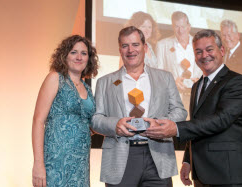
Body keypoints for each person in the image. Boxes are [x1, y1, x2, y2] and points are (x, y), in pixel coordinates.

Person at [145, 29, 242, 186]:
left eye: (209, 49)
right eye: (198, 51)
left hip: (229, 174)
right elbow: (197, 124)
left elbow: (221, 120)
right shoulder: (197, 86)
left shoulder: (237, 82)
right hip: (201, 174)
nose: (204, 55)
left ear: (222, 50)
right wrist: (188, 161)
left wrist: (176, 128)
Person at [92, 26, 187, 187]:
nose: (130, 50)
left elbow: (180, 111)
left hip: (158, 155)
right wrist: (115, 125)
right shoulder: (105, 82)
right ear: (120, 50)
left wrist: (160, 123)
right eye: (125, 46)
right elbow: (95, 119)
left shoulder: (165, 77)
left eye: (135, 45)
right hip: (120, 156)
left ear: (145, 47)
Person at [32, 35, 99, 187]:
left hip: (81, 164)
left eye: (84, 53)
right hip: (55, 163)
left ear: (89, 58)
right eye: (73, 52)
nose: (79, 57)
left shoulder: (87, 89)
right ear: (64, 55)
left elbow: (87, 123)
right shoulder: (55, 78)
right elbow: (38, 121)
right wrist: (38, 164)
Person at [156, 11, 202, 114]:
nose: (180, 31)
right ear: (172, 27)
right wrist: (172, 82)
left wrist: (200, 80)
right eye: (177, 27)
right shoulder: (162, 45)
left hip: (197, 98)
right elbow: (158, 75)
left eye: (183, 26)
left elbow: (208, 68)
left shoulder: (200, 44)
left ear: (189, 27)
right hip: (173, 99)